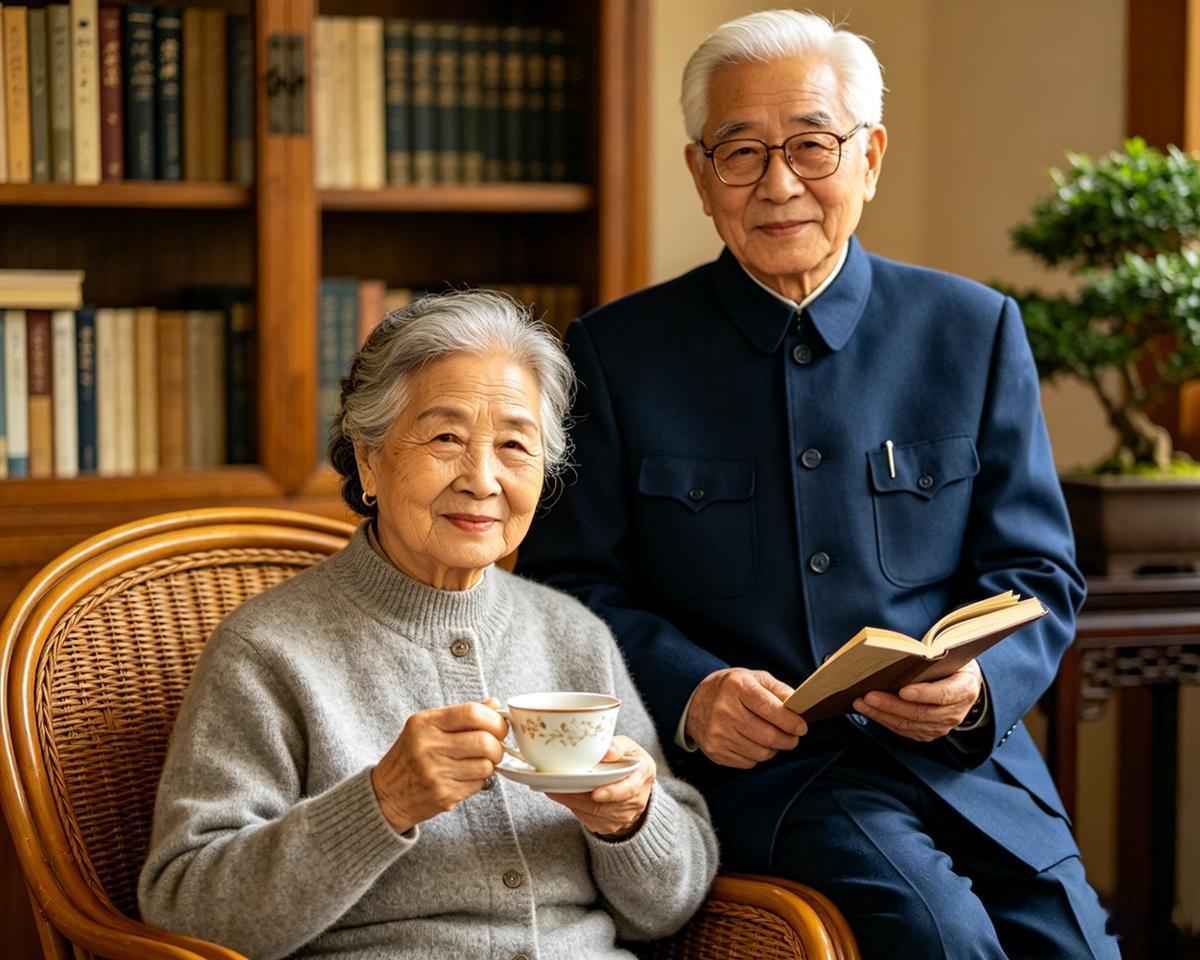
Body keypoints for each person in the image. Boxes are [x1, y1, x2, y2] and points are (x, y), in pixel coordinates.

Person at [517, 10, 1119, 959]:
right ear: (698, 174)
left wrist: (974, 688)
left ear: (869, 157)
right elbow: (564, 592)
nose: (779, 183)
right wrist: (692, 692)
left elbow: (1038, 573)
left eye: (812, 144)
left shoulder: (974, 330)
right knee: (937, 935)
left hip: (964, 762)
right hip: (769, 781)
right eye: (741, 152)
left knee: (1075, 943)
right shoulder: (616, 354)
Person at [139, 291, 718, 960]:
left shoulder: (572, 633)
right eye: (446, 437)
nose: (482, 479)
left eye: (514, 445)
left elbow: (670, 906)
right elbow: (186, 910)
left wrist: (633, 822)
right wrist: (380, 804)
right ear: (369, 459)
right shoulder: (267, 652)